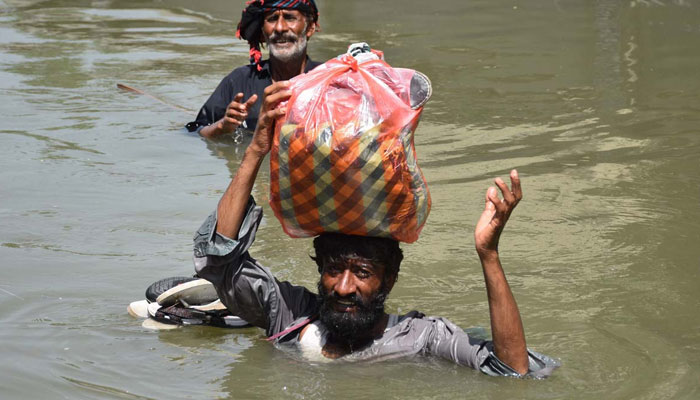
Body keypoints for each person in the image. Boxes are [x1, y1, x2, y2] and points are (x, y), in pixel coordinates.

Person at [192, 82, 558, 377]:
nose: (344, 288)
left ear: (390, 278)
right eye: (334, 270)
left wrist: (488, 254)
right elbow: (219, 263)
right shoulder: (289, 315)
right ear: (320, 269)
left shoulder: (419, 338)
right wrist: (257, 149)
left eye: (363, 273)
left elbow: (512, 369)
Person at [186, 0, 322, 138]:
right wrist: (222, 126)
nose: (280, 28)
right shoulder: (239, 81)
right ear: (263, 31)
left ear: (310, 28)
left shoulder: (330, 79)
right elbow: (195, 131)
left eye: (290, 18)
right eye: (272, 19)